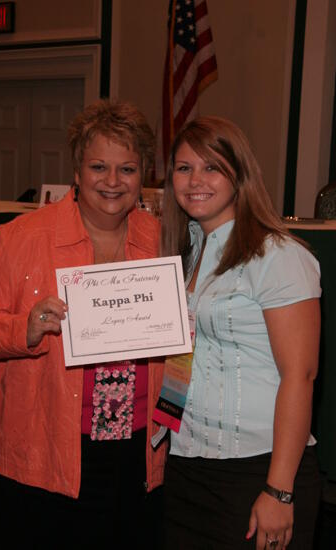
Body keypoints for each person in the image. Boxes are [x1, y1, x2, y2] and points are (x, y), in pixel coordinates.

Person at [0, 99, 167, 549]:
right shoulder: (20, 239)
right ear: (76, 171)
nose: (113, 182)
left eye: (128, 169)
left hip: (135, 453)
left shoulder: (160, 239)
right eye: (99, 166)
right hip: (42, 454)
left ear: (144, 176)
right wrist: (25, 328)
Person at [160, 116, 321, 549]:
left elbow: (300, 376)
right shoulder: (184, 252)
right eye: (183, 167)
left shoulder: (279, 257)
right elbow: (183, 356)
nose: (196, 180)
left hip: (259, 471)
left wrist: (278, 491)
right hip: (186, 465)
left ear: (240, 175)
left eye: (211, 167)